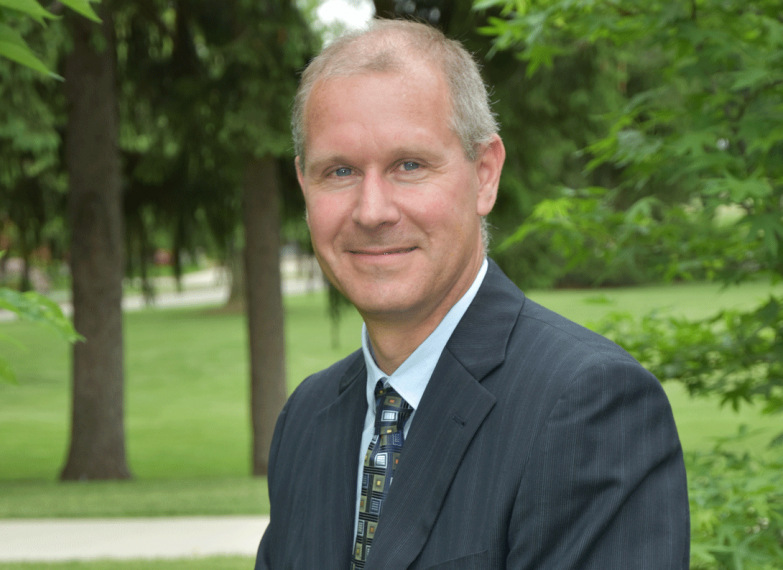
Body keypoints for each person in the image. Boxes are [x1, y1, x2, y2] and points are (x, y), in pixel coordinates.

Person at [255, 19, 689, 570]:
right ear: (305, 186)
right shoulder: (308, 418)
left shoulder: (588, 406)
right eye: (338, 171)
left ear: (485, 174)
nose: (372, 211)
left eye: (408, 165)